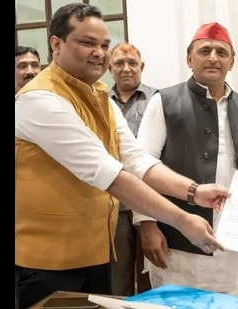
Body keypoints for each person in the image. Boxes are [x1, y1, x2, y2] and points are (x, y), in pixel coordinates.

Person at [15, 4, 229, 309]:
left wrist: (194, 192)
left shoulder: (100, 95)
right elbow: (110, 174)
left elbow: (137, 160)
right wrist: (182, 219)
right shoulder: (40, 99)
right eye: (88, 43)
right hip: (47, 262)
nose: (100, 53)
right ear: (56, 44)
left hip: (95, 253)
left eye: (104, 45)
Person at [133, 22, 238, 294]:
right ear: (189, 59)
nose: (213, 57)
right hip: (174, 238)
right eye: (205, 51)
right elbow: (140, 164)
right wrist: (146, 224)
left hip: (228, 241)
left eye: (221, 52)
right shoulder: (165, 102)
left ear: (232, 62)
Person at [108, 41, 157, 296]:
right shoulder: (100, 101)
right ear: (109, 67)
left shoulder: (158, 100)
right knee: (117, 276)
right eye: (119, 63)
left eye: (132, 64)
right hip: (113, 201)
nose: (126, 69)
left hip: (150, 199)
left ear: (142, 67)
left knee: (152, 270)